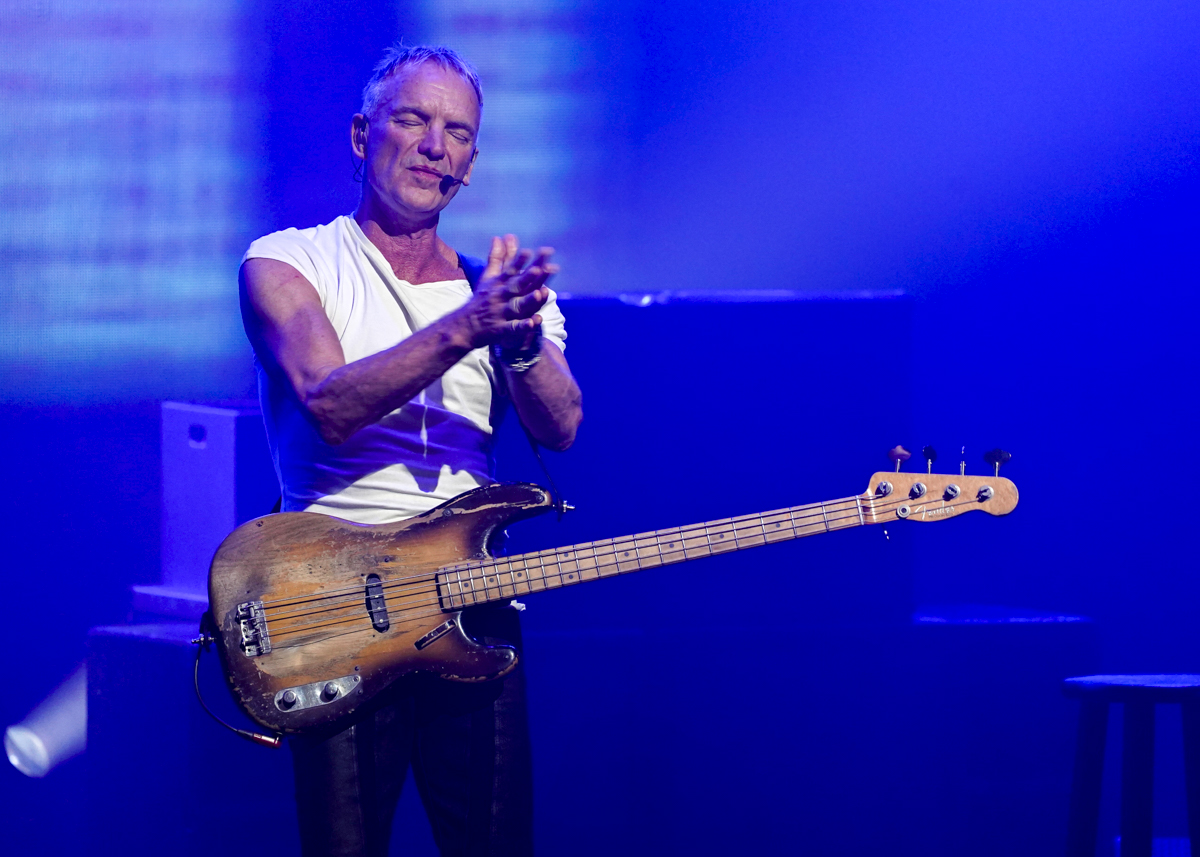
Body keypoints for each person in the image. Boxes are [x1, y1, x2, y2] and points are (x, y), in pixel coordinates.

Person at [238, 44, 582, 857]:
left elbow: (562, 425)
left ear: (470, 161)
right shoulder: (289, 261)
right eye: (413, 120)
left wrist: (520, 338)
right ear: (363, 136)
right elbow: (329, 403)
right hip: (329, 608)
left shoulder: (500, 296)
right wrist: (471, 323)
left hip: (474, 600)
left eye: (457, 132)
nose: (435, 145)